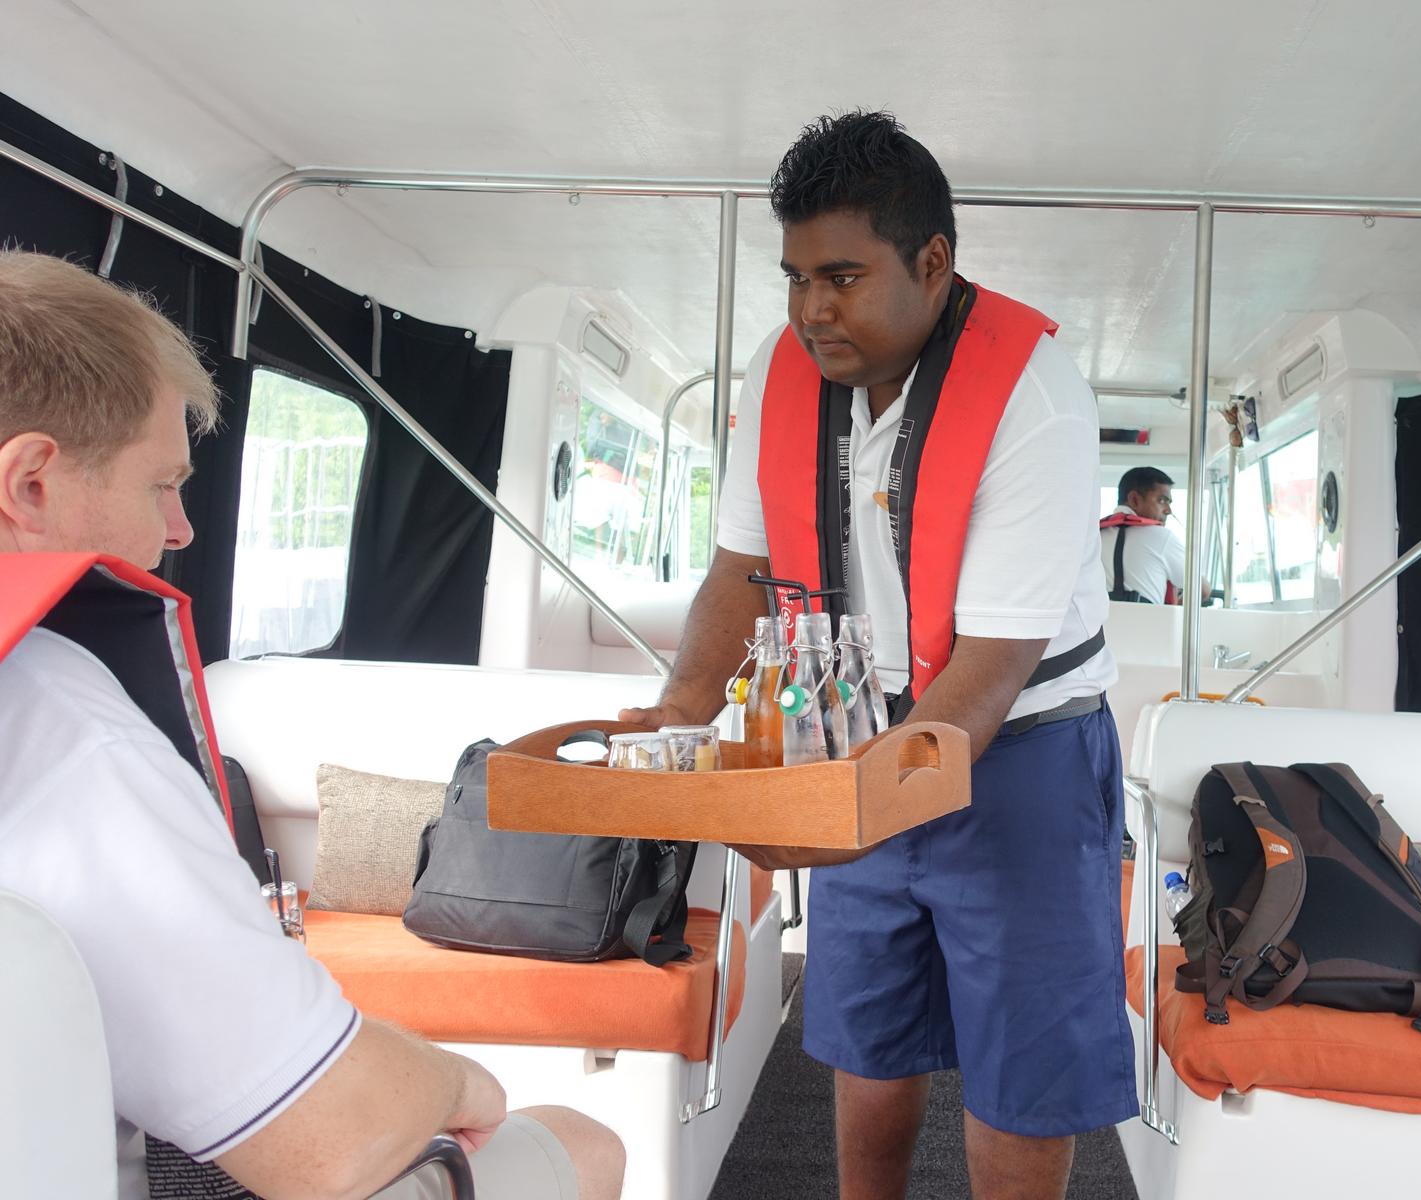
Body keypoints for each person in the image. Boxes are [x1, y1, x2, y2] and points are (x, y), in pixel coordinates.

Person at [0, 250, 625, 1200]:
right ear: (32, 483)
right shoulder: (66, 730)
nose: (182, 529)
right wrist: (463, 1079)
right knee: (580, 1142)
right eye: (161, 484)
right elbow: (324, 1144)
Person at [621, 112, 1134, 1200]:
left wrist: (827, 820)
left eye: (843, 276)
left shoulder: (1034, 393)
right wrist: (675, 724)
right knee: (869, 1032)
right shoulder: (782, 371)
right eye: (797, 277)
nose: (813, 308)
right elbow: (737, 572)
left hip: (1022, 752)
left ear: (933, 264)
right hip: (855, 731)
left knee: (1022, 1063)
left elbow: (988, 673)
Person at [1100, 466, 1189, 604]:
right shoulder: (1162, 538)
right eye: (1162, 500)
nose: (1168, 510)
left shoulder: (1094, 536)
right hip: (1149, 624)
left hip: (1099, 624)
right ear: (1134, 499)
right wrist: (1174, 609)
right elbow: (1202, 589)